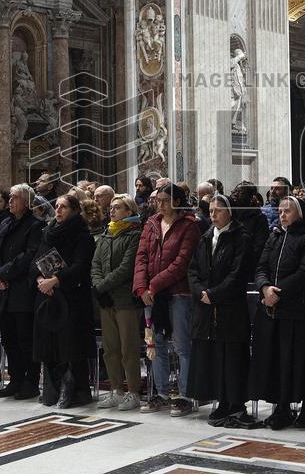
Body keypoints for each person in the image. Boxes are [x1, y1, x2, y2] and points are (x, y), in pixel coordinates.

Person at [249, 196, 305, 430]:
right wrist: (264, 288)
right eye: (280, 211)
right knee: (276, 361)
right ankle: (281, 406)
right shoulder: (275, 235)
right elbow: (260, 267)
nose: (282, 215)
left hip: (296, 309)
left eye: (287, 211)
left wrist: (278, 293)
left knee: (299, 361)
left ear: (300, 214)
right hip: (270, 309)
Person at [133, 183, 201, 417]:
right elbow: (141, 257)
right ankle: (160, 393)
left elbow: (182, 263)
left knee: (182, 345)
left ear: (177, 201)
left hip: (178, 293)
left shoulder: (189, 226)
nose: (159, 204)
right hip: (151, 294)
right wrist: (141, 287)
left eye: (164, 200)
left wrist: (154, 285)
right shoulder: (151, 223)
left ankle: (185, 394)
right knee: (155, 344)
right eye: (157, 201)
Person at [188, 194, 254, 427]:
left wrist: (213, 294)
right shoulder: (206, 237)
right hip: (205, 307)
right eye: (211, 211)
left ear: (230, 212)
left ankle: (236, 402)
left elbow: (237, 275)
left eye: (218, 211)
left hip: (230, 307)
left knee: (232, 357)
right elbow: (193, 270)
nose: (213, 215)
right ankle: (221, 401)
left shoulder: (241, 238)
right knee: (214, 357)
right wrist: (200, 293)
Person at [32, 193, 96, 408]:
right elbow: (36, 260)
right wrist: (41, 279)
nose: (58, 211)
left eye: (64, 207)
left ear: (75, 210)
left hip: (72, 297)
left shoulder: (82, 235)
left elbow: (81, 266)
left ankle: (74, 390)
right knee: (49, 344)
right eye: (56, 207)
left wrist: (56, 281)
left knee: (70, 345)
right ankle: (53, 387)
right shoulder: (49, 232)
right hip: (48, 297)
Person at [0, 183, 45, 400]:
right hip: (3, 289)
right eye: (10, 197)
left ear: (27, 201)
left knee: (25, 338)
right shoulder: (5, 222)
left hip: (23, 289)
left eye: (15, 198)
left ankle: (30, 381)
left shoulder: (35, 226)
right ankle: (15, 379)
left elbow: (29, 256)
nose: (11, 201)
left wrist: (3, 273)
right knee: (8, 338)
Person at [92, 194, 143, 411]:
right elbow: (95, 264)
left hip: (125, 300)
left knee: (128, 348)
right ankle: (115, 389)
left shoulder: (134, 234)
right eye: (111, 207)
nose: (112, 211)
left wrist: (101, 286)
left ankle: (133, 391)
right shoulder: (106, 235)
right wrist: (97, 285)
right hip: (106, 300)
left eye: (118, 207)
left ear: (129, 211)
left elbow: (126, 268)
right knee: (110, 348)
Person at [229, 180, 270, 275]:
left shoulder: (259, 218)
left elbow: (259, 247)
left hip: (247, 267)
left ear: (251, 197)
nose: (235, 194)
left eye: (241, 192)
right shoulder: (229, 215)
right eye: (235, 191)